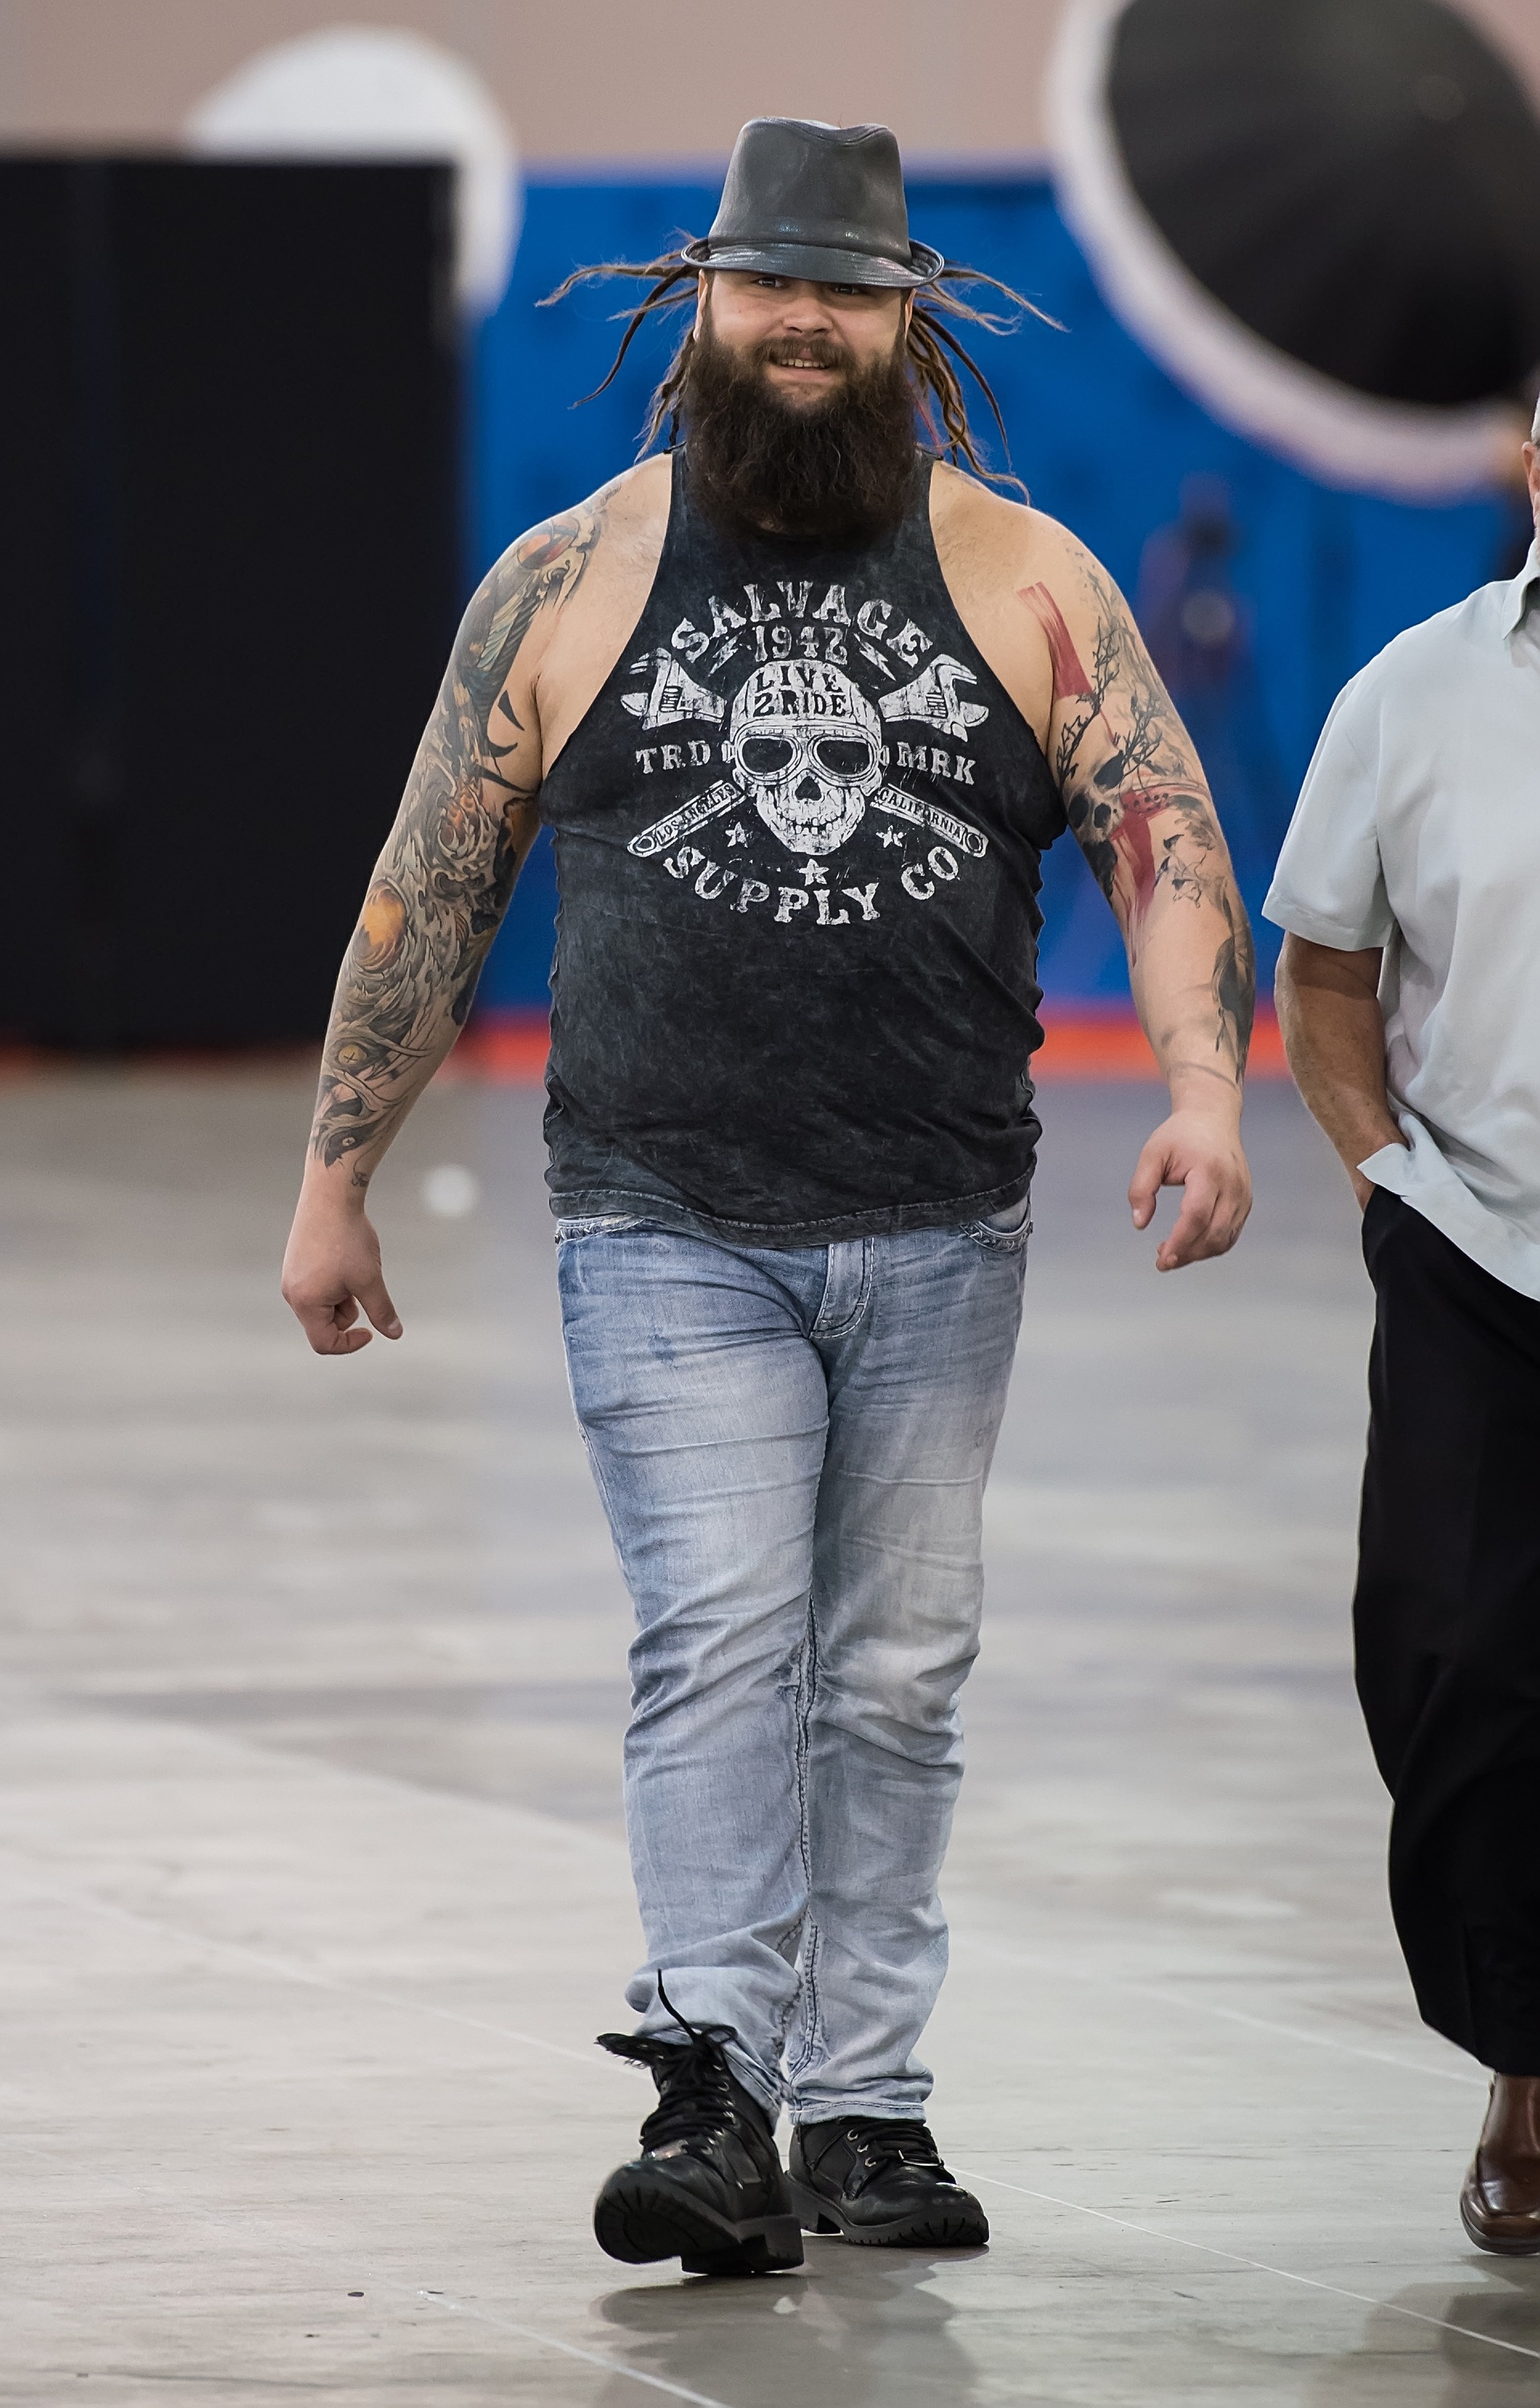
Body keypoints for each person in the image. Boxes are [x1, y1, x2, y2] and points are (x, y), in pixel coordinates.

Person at [282, 117, 1254, 2277]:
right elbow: (426, 884)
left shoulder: (1022, 574)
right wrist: (333, 1176)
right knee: (720, 1635)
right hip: (662, 1219)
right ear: (698, 301)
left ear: (910, 313)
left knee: (895, 1666)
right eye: (767, 286)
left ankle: (867, 2111)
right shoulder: (569, 575)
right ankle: (711, 2080)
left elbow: (1161, 833)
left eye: (847, 288)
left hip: (939, 1220)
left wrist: (1201, 1086)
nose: (803, 322)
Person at [1269, 401, 1540, 2254]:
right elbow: (1323, 970)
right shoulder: (1409, 693)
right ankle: (1523, 2060)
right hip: (1480, 1260)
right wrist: (1385, 1183)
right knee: (1450, 1669)